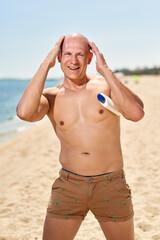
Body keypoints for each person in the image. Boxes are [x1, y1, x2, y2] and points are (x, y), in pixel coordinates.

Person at [16, 33, 144, 240]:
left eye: (80, 54)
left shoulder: (105, 85)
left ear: (90, 58)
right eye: (67, 54)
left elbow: (136, 113)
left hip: (110, 183)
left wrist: (106, 71)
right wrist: (44, 66)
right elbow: (24, 113)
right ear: (58, 58)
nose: (73, 61)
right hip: (69, 184)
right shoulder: (51, 96)